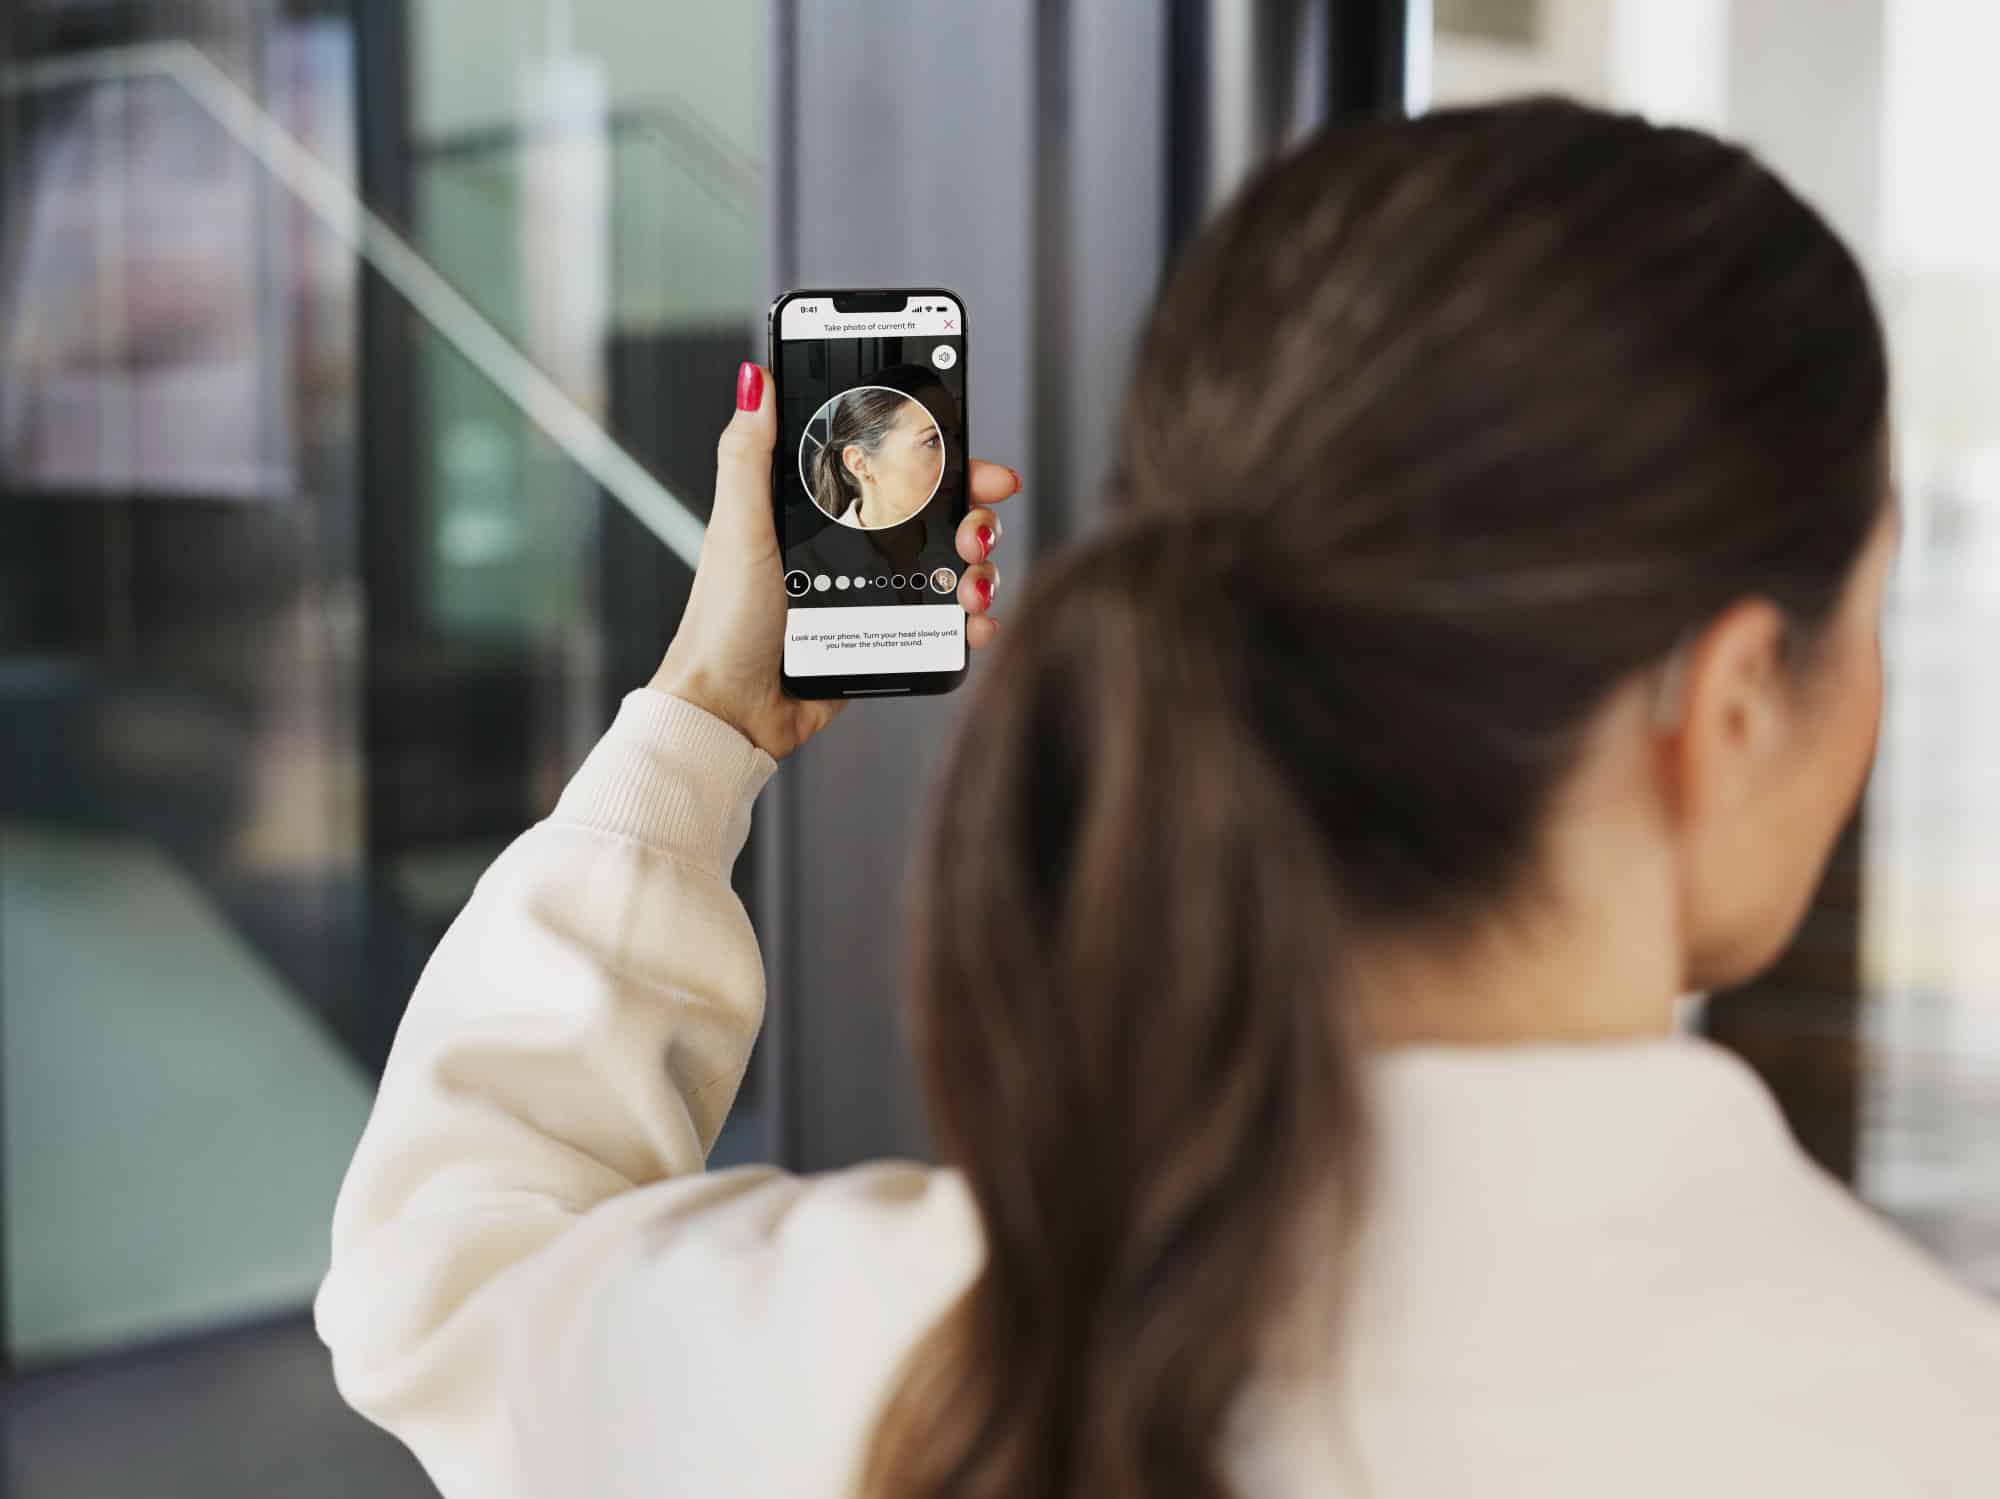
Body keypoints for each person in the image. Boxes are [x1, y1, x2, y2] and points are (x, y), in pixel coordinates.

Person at [316, 101, 2000, 1499]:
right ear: (1722, 707)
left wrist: (708, 714)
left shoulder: (852, 1355)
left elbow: (444, 1268)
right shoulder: (1930, 1415)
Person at [808, 385, 946, 528]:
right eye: (932, 441)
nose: (956, 463)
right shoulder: (814, 549)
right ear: (860, 463)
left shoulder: (954, 541)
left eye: (957, 439)